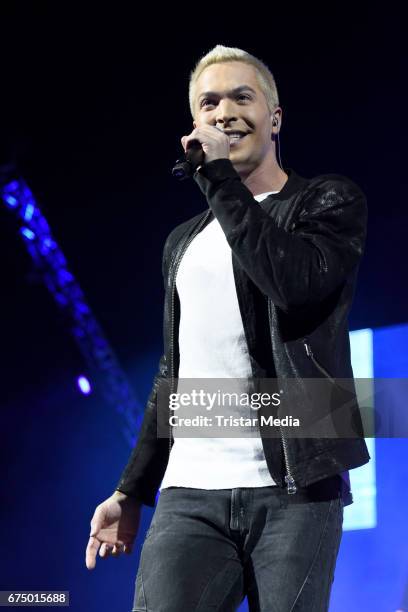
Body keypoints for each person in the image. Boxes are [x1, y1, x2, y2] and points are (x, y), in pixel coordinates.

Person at [85, 44, 371, 611]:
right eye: (208, 103)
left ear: (275, 118)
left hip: (296, 487)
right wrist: (132, 487)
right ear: (195, 124)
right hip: (190, 492)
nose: (225, 112)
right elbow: (175, 374)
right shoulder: (182, 242)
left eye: (243, 96)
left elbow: (292, 285)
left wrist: (218, 177)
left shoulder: (326, 201)